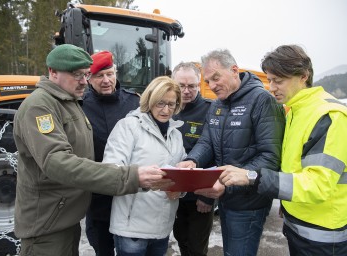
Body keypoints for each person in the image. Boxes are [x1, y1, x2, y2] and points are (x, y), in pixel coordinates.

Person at [13, 44, 172, 256]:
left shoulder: (69, 101)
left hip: (64, 214)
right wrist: (130, 176)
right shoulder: (41, 106)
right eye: (76, 74)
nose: (83, 81)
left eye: (86, 74)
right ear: (52, 72)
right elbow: (57, 161)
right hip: (47, 220)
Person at [216, 44, 347, 255]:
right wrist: (286, 206)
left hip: (322, 235)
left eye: (278, 80)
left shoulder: (329, 115)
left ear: (303, 76)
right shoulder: (295, 110)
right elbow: (294, 168)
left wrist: (252, 176)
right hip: (298, 226)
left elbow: (319, 185)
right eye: (269, 80)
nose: (271, 87)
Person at [178, 49, 286, 256]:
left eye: (216, 78)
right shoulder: (218, 103)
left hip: (249, 202)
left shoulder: (262, 100)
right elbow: (207, 141)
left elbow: (270, 156)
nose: (212, 85)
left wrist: (227, 181)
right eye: (208, 81)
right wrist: (192, 160)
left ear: (234, 70)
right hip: (227, 197)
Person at [102, 76, 186, 256]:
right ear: (150, 100)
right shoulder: (128, 127)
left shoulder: (176, 135)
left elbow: (181, 173)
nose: (166, 110)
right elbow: (110, 171)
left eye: (171, 104)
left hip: (162, 226)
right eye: (161, 103)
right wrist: (141, 179)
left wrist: (181, 189)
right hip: (132, 227)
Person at [82, 50, 140, 255]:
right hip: (98, 193)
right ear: (88, 78)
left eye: (110, 74)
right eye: (99, 76)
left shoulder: (135, 103)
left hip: (129, 190)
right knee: (101, 245)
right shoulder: (79, 105)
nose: (106, 80)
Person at [171, 62, 214, 256]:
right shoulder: (166, 108)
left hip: (198, 195)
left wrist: (206, 197)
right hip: (172, 191)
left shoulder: (210, 110)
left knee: (197, 246)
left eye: (192, 86)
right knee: (180, 238)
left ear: (199, 85)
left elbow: (214, 151)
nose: (187, 91)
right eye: (181, 85)